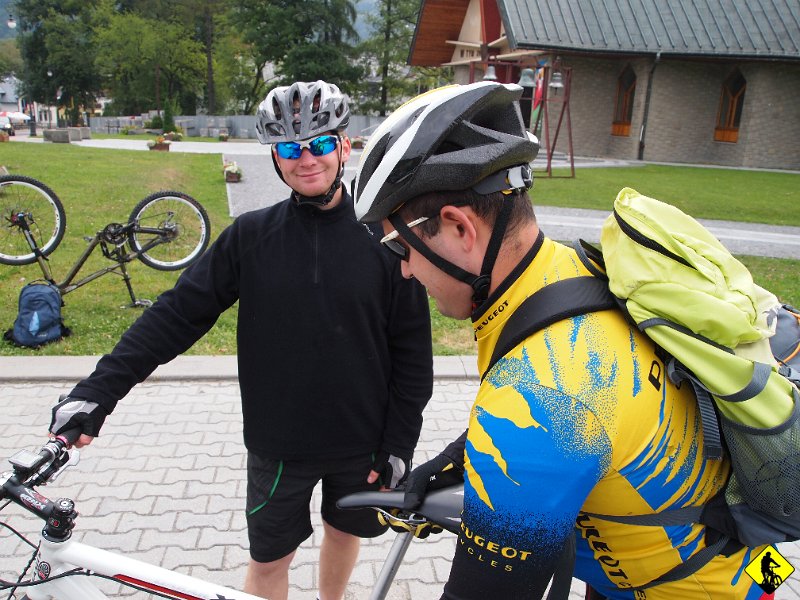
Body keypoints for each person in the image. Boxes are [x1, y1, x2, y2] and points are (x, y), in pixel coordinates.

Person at [351, 81, 766, 599]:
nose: (406, 271)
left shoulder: (543, 398)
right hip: (715, 560)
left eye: (398, 246)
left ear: (460, 227)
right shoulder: (571, 271)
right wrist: (456, 460)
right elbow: (585, 426)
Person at [49, 80, 434, 600]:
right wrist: (99, 390)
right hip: (279, 446)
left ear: (345, 146)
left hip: (362, 442)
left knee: (345, 532)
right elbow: (176, 316)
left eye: (320, 144)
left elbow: (413, 356)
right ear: (274, 156)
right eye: (290, 148)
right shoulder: (251, 237)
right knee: (270, 559)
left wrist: (398, 444)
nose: (307, 160)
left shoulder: (385, 240)